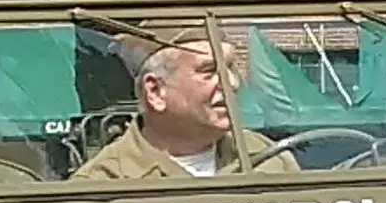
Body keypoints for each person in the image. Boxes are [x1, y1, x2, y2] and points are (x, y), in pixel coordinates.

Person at [72, 36, 300, 180]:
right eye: (209, 71)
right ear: (155, 91)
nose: (233, 83)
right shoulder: (104, 183)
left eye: (231, 67)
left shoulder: (268, 157)